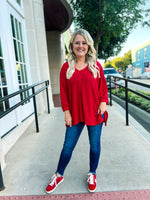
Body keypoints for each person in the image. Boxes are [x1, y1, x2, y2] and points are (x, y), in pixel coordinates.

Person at [46, 29, 108, 194]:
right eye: (77, 43)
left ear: (88, 45)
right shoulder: (66, 67)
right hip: (75, 115)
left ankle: (92, 173)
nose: (80, 46)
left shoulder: (96, 66)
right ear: (72, 45)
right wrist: (66, 112)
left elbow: (103, 89)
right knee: (67, 146)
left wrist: (103, 103)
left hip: (94, 113)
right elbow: (64, 92)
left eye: (83, 42)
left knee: (95, 146)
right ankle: (59, 175)